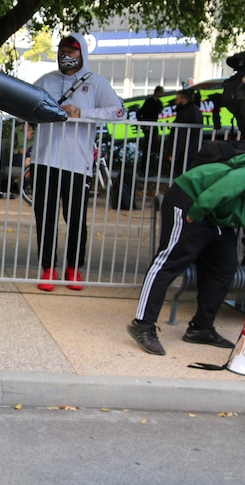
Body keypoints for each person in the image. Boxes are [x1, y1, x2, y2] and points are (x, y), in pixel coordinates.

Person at [31, 33, 126, 291]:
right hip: (45, 160)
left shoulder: (96, 83)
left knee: (75, 218)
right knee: (45, 217)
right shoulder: (46, 80)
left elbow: (119, 111)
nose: (66, 55)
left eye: (72, 51)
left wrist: (82, 113)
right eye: (63, 50)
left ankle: (74, 267)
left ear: (82, 53)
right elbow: (24, 105)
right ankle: (48, 268)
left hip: (78, 163)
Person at [126, 152, 245, 356]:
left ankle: (201, 328)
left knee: (225, 266)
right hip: (192, 199)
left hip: (217, 215)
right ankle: (143, 324)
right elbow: (224, 188)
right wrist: (197, 212)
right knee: (170, 260)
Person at [166, 89, 203, 177]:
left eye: (177, 99)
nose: (175, 102)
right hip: (190, 149)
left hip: (183, 151)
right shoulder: (195, 110)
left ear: (184, 99)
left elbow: (181, 135)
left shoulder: (186, 112)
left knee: (180, 175)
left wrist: (174, 153)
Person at [137, 86, 165, 164]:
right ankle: (144, 164)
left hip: (154, 125)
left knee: (153, 145)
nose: (163, 94)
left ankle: (150, 163)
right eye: (161, 92)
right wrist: (144, 125)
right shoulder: (149, 101)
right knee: (147, 146)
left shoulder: (159, 103)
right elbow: (140, 113)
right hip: (148, 126)